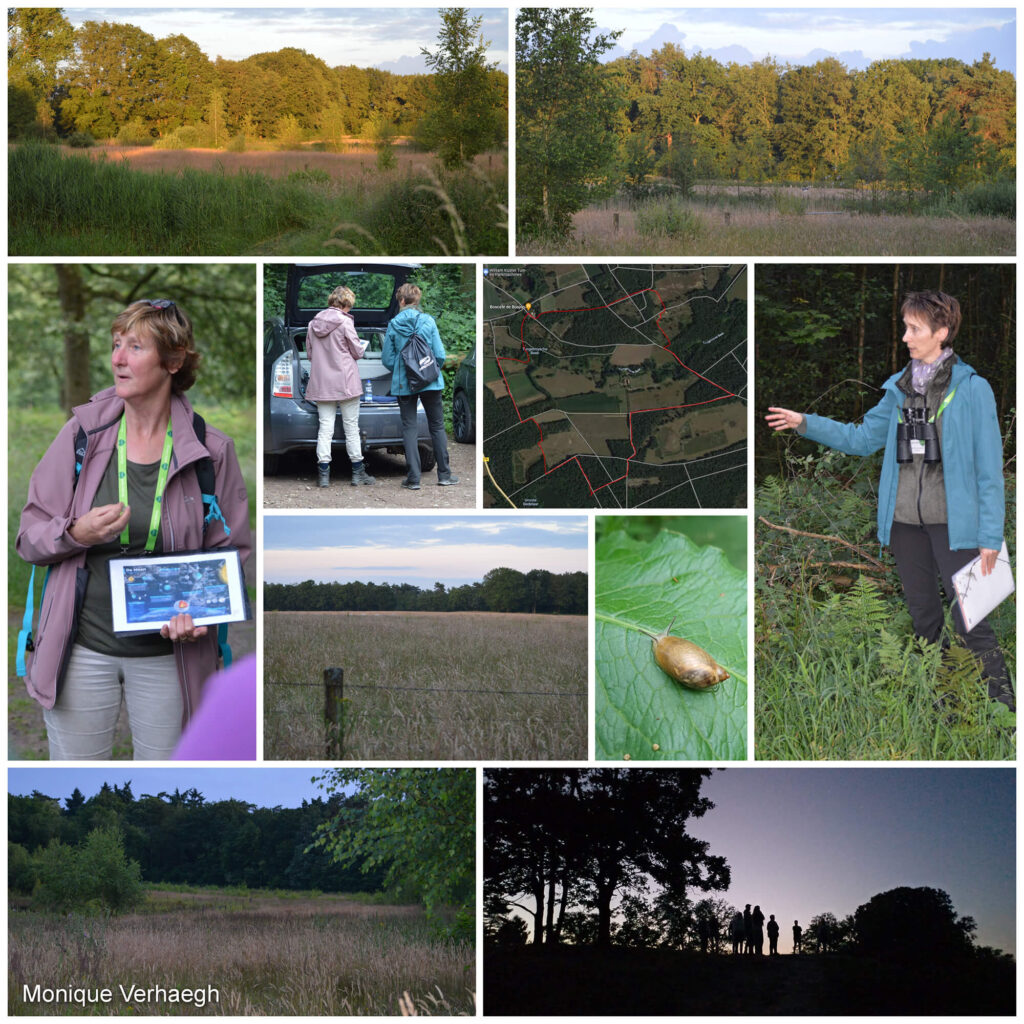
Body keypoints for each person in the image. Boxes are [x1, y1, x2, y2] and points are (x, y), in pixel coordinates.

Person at [17, 299, 252, 760]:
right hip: (81, 649)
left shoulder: (212, 451)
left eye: (135, 346)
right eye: (116, 345)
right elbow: (29, 536)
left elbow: (234, 556)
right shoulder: (81, 435)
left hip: (171, 660)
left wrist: (199, 616)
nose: (118, 359)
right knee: (75, 781)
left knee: (170, 780)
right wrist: (76, 533)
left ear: (173, 360)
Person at [766, 290, 1014, 713]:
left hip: (957, 525)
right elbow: (860, 439)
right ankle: (945, 702)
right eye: (905, 327)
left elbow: (989, 470)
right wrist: (806, 423)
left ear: (941, 332)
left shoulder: (974, 390)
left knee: (971, 619)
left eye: (914, 328)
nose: (905, 336)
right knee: (924, 619)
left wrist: (991, 535)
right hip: (904, 525)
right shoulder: (898, 391)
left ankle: (1003, 711)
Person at [382, 282, 458, 490]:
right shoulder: (428, 321)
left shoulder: (394, 324)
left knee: (409, 427)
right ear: (417, 301)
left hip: (404, 384)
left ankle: (414, 478)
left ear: (402, 301)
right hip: (430, 382)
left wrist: (402, 370)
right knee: (437, 426)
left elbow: (387, 359)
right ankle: (444, 475)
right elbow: (440, 355)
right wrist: (428, 372)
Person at [306, 284, 375, 488]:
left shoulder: (312, 324)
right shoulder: (345, 322)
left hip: (322, 383)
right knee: (351, 427)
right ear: (346, 303)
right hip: (346, 382)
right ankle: (357, 473)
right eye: (350, 305)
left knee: (325, 428)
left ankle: (324, 476)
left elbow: (310, 354)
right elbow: (357, 351)